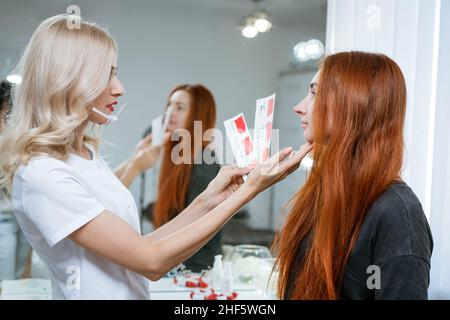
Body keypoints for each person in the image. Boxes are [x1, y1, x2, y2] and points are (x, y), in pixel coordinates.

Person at [0, 14, 311, 299]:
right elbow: (150, 261)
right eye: (105, 75)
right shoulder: (42, 173)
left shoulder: (87, 154)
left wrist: (209, 199)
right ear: (68, 81)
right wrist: (248, 190)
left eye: (115, 73)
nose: (119, 88)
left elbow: (142, 245)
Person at [273, 51, 433, 300]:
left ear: (353, 103)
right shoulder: (323, 191)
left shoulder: (397, 214)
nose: (299, 107)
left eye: (315, 93)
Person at [151, 84, 221, 272]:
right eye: (169, 105)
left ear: (198, 115)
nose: (170, 112)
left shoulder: (204, 163)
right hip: (173, 264)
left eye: (180, 107)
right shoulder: (176, 157)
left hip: (195, 270)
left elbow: (198, 229)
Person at [0, 80, 31, 279]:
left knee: (21, 274)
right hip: (3, 219)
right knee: (6, 277)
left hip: (23, 215)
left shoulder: (14, 133)